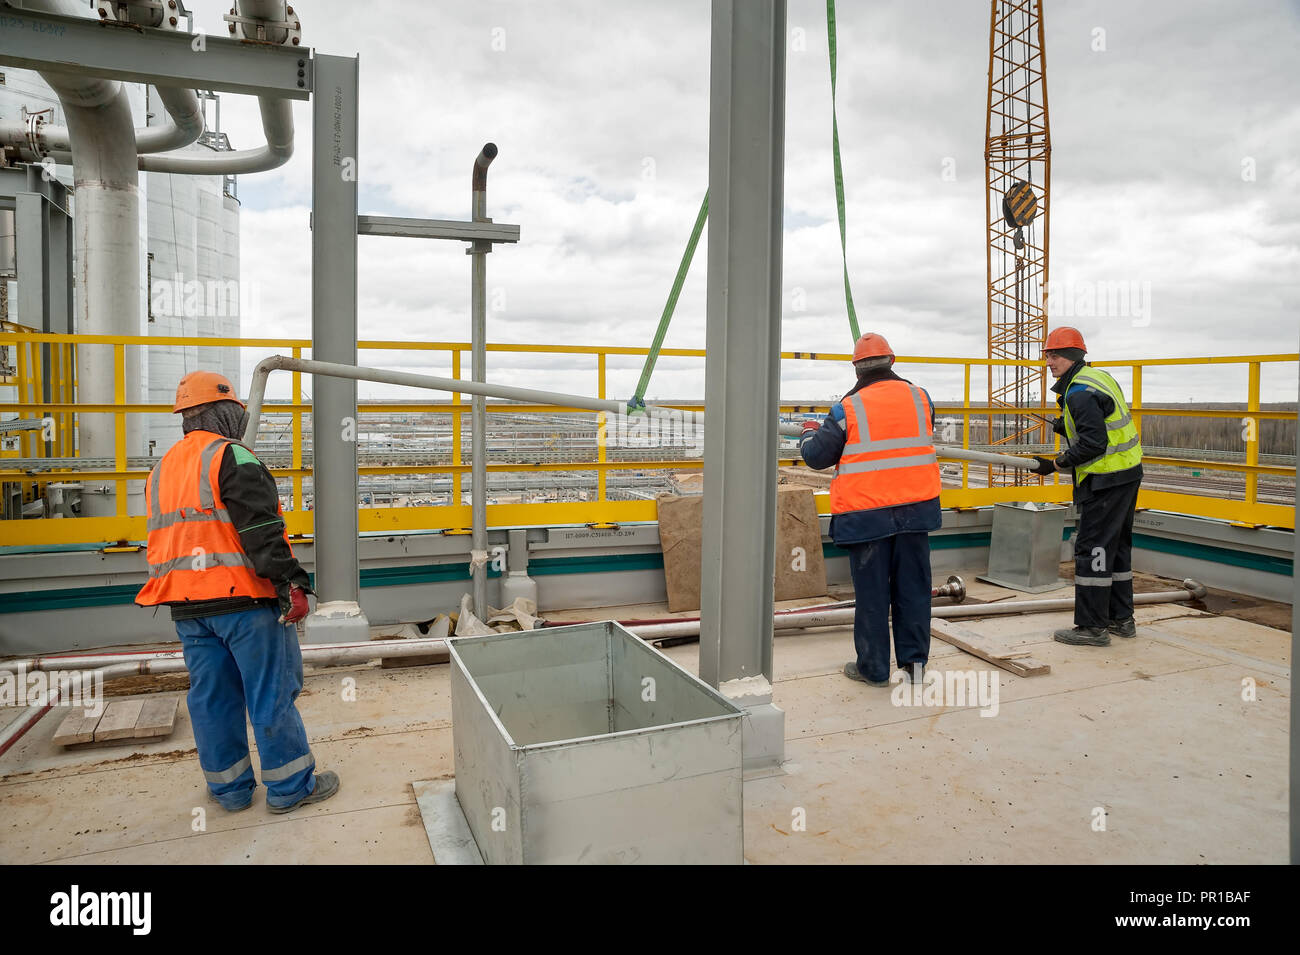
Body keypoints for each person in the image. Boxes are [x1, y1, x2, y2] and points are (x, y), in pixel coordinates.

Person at [136, 371, 339, 813]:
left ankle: (229, 790)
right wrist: (291, 582)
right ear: (225, 412)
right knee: (270, 693)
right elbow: (262, 531)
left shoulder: (161, 469)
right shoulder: (233, 457)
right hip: (245, 602)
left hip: (188, 607)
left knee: (212, 698)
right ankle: (290, 788)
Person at [799, 333, 941, 686]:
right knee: (914, 589)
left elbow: (817, 457)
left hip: (868, 514)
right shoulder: (920, 397)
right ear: (891, 362)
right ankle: (915, 668)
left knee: (873, 594)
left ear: (857, 368)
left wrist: (807, 433)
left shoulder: (848, 408)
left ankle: (874, 670)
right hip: (915, 509)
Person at [1027, 326, 1143, 646]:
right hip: (1128, 473)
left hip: (1105, 479)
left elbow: (1093, 443)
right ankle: (1121, 619)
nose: (1049, 361)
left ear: (1072, 356)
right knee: (1115, 547)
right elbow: (1103, 420)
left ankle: (1093, 627)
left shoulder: (1078, 393)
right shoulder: (1098, 378)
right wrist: (1068, 425)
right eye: (1048, 355)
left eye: (1055, 355)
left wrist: (1055, 464)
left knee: (1092, 549)